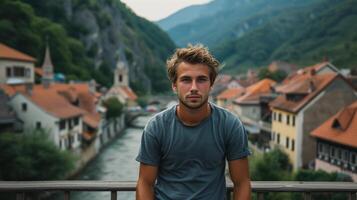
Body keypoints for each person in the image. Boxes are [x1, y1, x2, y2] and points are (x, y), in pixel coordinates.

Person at [136, 44, 251, 200]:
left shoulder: (230, 125)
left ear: (211, 84)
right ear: (174, 85)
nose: (194, 88)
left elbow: (242, 183)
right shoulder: (156, 127)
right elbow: (145, 183)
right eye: (186, 80)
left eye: (201, 80)